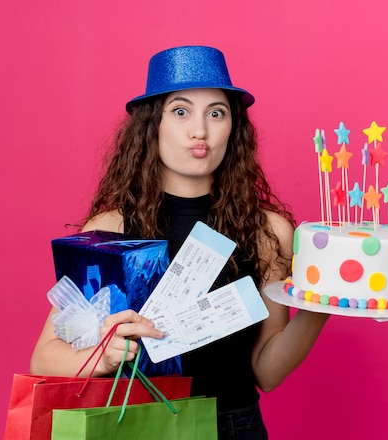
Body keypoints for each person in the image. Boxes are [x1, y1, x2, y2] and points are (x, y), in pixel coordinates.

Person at [31, 45, 329, 439]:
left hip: (234, 425)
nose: (199, 131)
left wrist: (322, 303)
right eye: (181, 111)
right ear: (152, 124)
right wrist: (102, 355)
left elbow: (266, 373)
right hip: (140, 426)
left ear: (233, 128)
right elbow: (43, 358)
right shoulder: (110, 229)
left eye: (216, 113)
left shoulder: (268, 231)